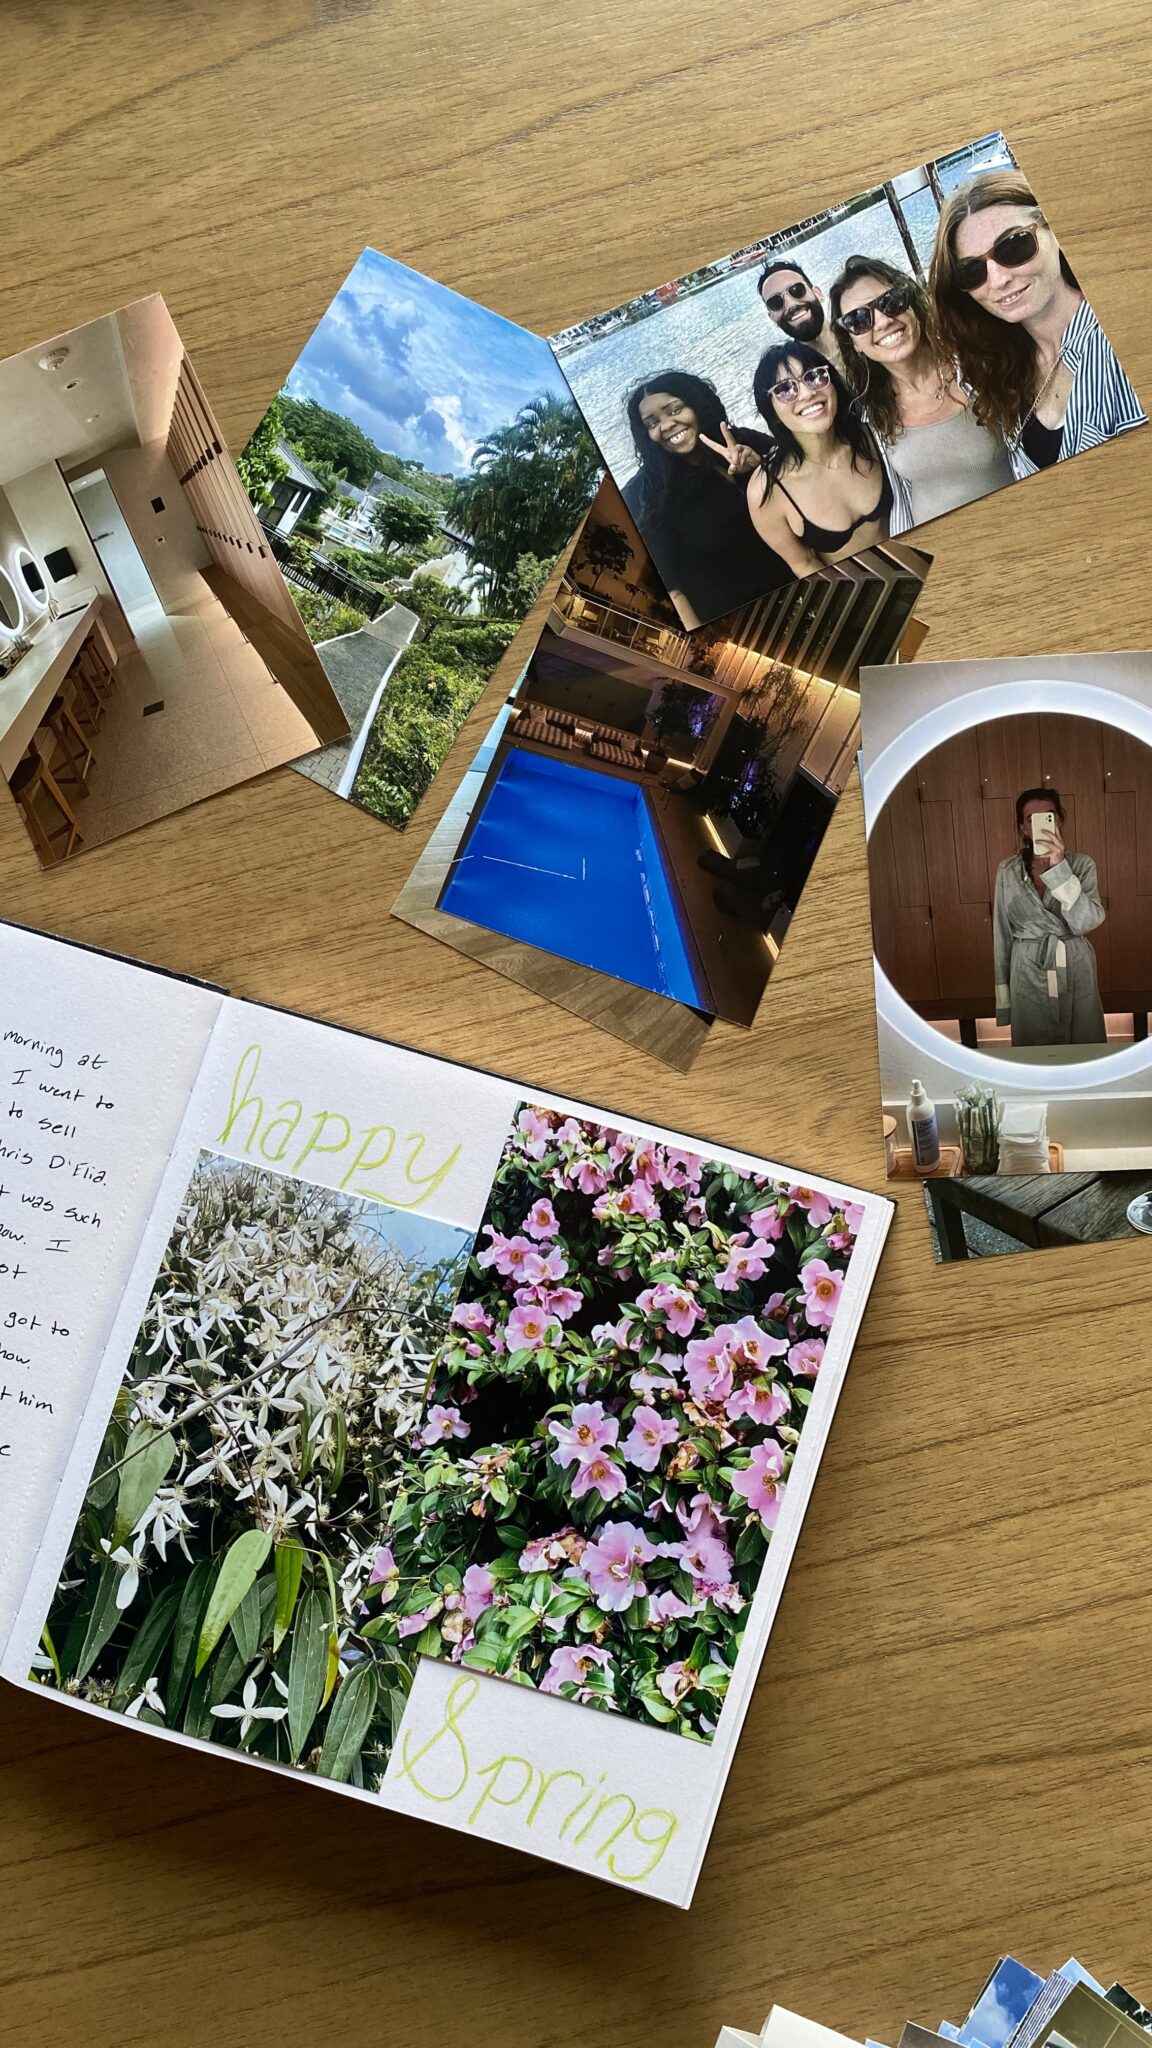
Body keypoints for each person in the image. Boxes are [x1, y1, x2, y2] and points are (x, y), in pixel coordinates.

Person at [931, 168, 1146, 478]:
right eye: (972, 271)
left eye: (1014, 245)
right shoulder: (1004, 365)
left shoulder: (1118, 344)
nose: (999, 279)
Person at [829, 253, 1013, 528]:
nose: (882, 321)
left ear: (911, 304)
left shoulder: (974, 364)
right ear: (853, 342)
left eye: (890, 302)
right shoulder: (873, 412)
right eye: (858, 319)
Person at [622, 371, 788, 626]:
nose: (666, 425)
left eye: (675, 410)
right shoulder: (648, 495)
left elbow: (807, 492)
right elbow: (669, 589)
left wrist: (761, 466)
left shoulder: (743, 442)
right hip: (736, 622)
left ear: (697, 404)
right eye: (652, 423)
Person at [745, 340, 892, 576]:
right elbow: (803, 564)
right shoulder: (767, 492)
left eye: (815, 377)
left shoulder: (872, 434)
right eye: (785, 389)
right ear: (770, 410)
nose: (807, 393)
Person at [993, 788, 1106, 1047]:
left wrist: (1059, 869)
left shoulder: (1082, 865)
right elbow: (1001, 933)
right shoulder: (1007, 871)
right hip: (1028, 966)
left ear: (1060, 820)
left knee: (1082, 1041)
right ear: (1023, 828)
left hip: (1074, 963)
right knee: (1033, 1045)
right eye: (1032, 819)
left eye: (1049, 816)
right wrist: (1004, 1003)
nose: (1041, 824)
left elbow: (1086, 922)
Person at [757, 257, 844, 370]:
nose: (790, 304)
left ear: (818, 294)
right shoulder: (793, 377)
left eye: (796, 290)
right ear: (773, 319)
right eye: (776, 302)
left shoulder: (858, 332)